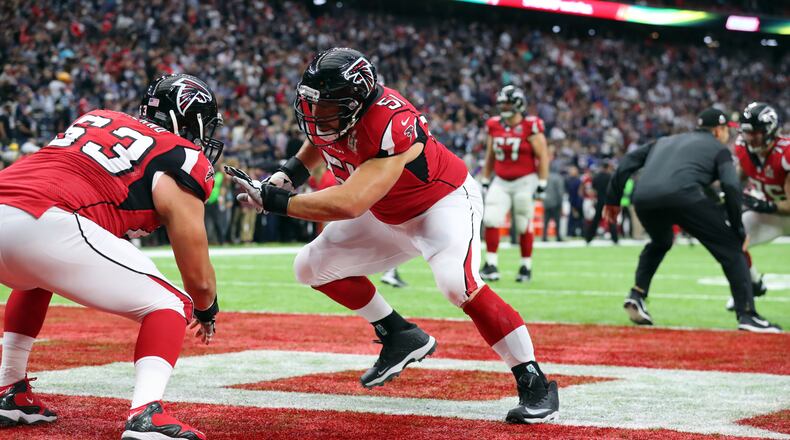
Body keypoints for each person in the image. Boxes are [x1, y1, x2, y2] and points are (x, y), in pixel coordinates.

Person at [227, 48, 559, 423]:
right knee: (310, 266)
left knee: (457, 284)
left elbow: (351, 202)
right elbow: (319, 144)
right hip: (386, 210)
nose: (316, 114)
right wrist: (284, 178)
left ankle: (534, 381)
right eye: (312, 104)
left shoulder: (392, 122)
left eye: (327, 106)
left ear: (356, 101)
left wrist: (276, 201)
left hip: (439, 205)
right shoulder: (336, 115)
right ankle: (399, 334)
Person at [0, 73, 223, 438]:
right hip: (45, 219)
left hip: (8, 201)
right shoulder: (181, 155)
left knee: (37, 277)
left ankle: (10, 390)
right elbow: (197, 275)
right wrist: (206, 308)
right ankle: (145, 414)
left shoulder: (97, 117)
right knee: (169, 304)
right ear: (191, 120)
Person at [603, 108, 781, 333]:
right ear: (718, 131)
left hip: (644, 198)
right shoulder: (718, 149)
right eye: (726, 130)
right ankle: (747, 313)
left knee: (661, 241)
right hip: (683, 197)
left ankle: (636, 295)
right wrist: (737, 228)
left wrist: (612, 200)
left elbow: (628, 161)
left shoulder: (665, 141)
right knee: (732, 249)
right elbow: (731, 186)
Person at [479, 86, 550, 282]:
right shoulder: (494, 124)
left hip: (526, 181)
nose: (504, 107)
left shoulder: (531, 125)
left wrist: (542, 182)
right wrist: (486, 178)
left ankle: (525, 267)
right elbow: (490, 155)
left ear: (518, 104)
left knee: (523, 223)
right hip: (501, 180)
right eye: (502, 103)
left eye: (508, 103)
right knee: (491, 218)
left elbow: (542, 155)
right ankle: (491, 264)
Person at [725, 102, 790, 311]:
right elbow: (738, 178)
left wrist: (764, 205)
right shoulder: (743, 149)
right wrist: (729, 194)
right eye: (747, 132)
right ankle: (751, 286)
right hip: (772, 213)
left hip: (779, 208)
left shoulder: (785, 154)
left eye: (756, 133)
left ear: (770, 131)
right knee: (732, 238)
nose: (750, 137)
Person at [585, 161, 618, 244]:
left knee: (596, 220)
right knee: (610, 219)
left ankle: (589, 238)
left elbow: (593, 190)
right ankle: (615, 239)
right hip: (608, 201)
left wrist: (594, 199)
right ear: (608, 168)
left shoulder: (597, 177)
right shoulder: (611, 177)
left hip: (600, 200)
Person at [542, 171, 565, 242]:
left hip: (546, 202)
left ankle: (544, 237)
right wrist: (561, 204)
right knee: (557, 221)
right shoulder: (559, 178)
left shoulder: (545, 178)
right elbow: (560, 192)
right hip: (555, 202)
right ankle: (558, 236)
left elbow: (541, 189)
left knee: (546, 221)